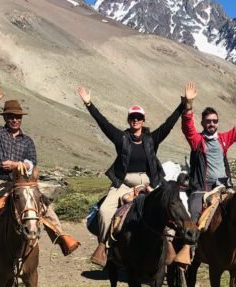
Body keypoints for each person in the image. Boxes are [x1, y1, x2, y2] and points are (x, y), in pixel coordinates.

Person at [0, 83, 77, 272]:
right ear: (5, 118)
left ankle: (62, 237)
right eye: (11, 116)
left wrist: (17, 165)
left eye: (18, 117)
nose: (15, 120)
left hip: (20, 184)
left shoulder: (27, 141)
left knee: (45, 207)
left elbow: (32, 163)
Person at [77, 86, 185, 266]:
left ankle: (170, 245)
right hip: (124, 184)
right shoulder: (121, 138)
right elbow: (103, 123)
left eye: (139, 117)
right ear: (128, 120)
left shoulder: (151, 139)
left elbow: (168, 124)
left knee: (170, 207)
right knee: (104, 211)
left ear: (143, 120)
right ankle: (104, 247)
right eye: (132, 117)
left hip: (149, 183)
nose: (135, 120)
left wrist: (182, 106)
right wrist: (89, 104)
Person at [181, 82, 236, 224]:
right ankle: (192, 239)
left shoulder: (223, 139)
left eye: (215, 121)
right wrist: (188, 104)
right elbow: (187, 127)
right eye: (208, 121)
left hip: (224, 186)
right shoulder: (197, 141)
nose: (212, 124)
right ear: (202, 123)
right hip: (202, 189)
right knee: (194, 216)